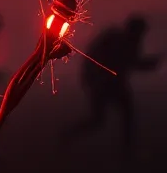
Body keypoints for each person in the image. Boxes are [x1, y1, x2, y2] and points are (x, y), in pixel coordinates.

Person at [62, 14, 160, 152]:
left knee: (104, 119)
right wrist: (149, 64)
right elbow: (129, 62)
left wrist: (148, 64)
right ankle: (127, 151)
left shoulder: (119, 39)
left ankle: (67, 137)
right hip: (104, 83)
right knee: (115, 117)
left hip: (103, 83)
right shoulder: (121, 42)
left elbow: (131, 63)